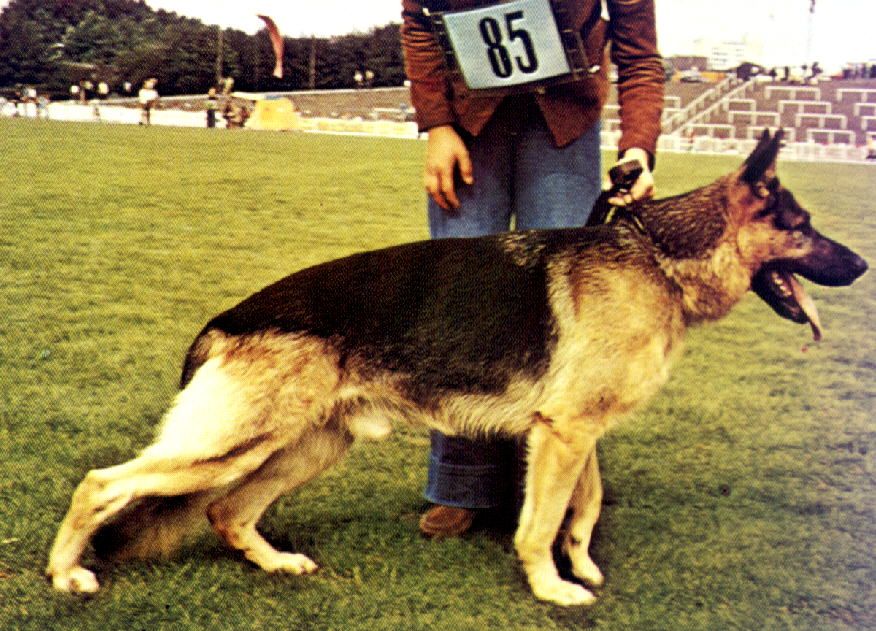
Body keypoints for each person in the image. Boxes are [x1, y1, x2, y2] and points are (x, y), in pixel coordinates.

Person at [401, 0, 664, 537]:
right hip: (468, 121)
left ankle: (560, 482)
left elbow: (640, 54)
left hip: (565, 124)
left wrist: (639, 147)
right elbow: (419, 18)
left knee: (568, 310)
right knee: (463, 300)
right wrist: (438, 126)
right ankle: (461, 484)